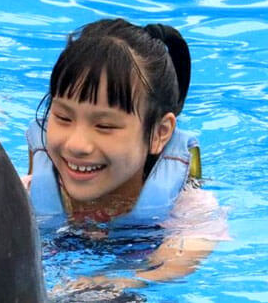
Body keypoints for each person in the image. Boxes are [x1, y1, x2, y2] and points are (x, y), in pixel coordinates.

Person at [21, 18, 227, 292]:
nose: (77, 144)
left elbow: (183, 257)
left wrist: (115, 283)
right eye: (62, 117)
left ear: (159, 133)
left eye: (104, 126)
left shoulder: (187, 208)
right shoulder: (21, 197)